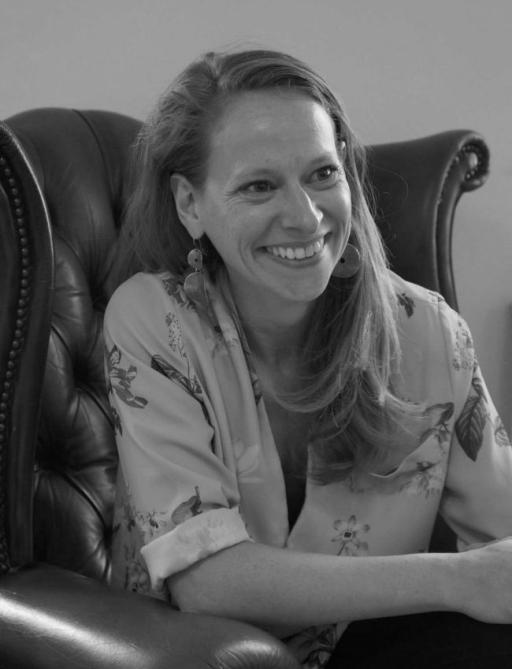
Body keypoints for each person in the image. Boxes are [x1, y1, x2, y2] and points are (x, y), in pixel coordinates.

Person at [104, 49, 512, 668]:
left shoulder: (431, 331)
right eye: (259, 186)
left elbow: (504, 535)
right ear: (190, 204)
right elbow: (207, 582)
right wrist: (458, 580)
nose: (304, 217)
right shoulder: (153, 321)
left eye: (322, 174)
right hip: (197, 653)